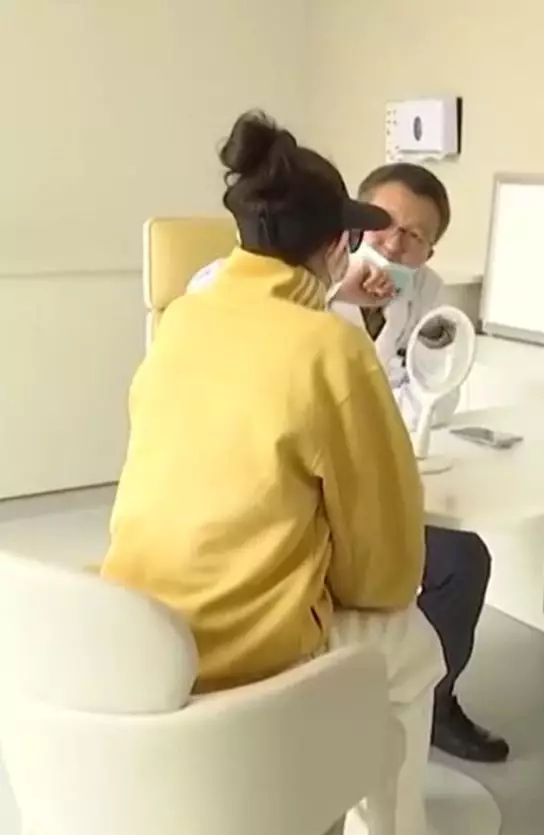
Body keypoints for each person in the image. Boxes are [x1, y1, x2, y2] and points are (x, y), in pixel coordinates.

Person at [101, 110, 444, 835]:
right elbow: (385, 575)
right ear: (336, 247)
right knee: (415, 646)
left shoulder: (182, 318)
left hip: (138, 625)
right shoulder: (330, 348)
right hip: (242, 650)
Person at [330, 163, 510, 764]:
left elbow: (427, 395)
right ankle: (330, 719)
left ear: (430, 250)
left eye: (415, 235)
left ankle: (433, 704)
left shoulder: (426, 291)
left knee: (462, 560)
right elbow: (208, 290)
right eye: (383, 223)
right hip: (305, 484)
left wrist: (416, 403)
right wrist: (334, 290)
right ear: (353, 223)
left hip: (378, 475)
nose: (394, 244)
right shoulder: (305, 268)